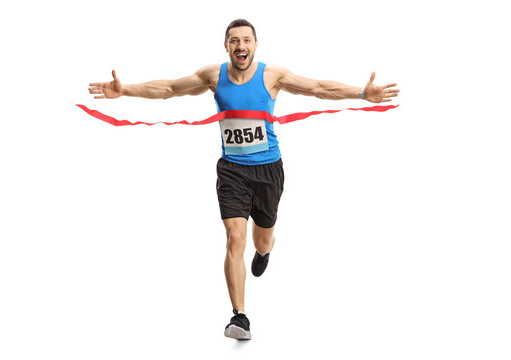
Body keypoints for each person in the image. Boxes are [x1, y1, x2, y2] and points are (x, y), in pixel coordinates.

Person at [88, 19, 400, 340]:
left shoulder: (271, 75)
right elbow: (169, 89)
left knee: (260, 239)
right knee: (235, 239)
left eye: (247, 40)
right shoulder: (213, 75)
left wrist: (362, 93)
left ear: (255, 46)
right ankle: (240, 317)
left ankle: (264, 251)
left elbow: (318, 88)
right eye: (234, 40)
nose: (241, 46)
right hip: (232, 170)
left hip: (268, 170)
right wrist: (124, 90)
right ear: (226, 46)